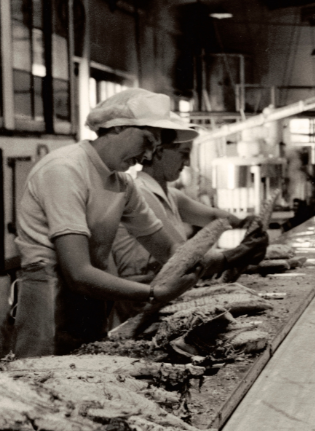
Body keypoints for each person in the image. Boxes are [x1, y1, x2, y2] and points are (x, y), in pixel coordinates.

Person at [9, 90, 191, 357]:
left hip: (91, 299)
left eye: (156, 148)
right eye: (147, 141)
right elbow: (78, 272)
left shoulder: (121, 184)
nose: (148, 156)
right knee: (46, 378)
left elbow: (167, 249)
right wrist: (153, 292)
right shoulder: (66, 170)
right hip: (51, 296)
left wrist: (207, 261)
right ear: (117, 127)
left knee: (90, 377)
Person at [109, 117, 265, 325]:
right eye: (184, 154)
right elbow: (182, 258)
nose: (188, 163)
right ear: (158, 152)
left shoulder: (171, 195)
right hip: (141, 304)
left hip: (165, 297)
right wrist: (237, 254)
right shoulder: (140, 194)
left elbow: (212, 216)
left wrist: (247, 223)